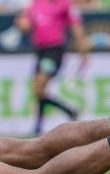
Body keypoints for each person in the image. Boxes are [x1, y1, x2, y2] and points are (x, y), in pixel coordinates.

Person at [15, 0, 90, 136]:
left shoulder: (65, 4)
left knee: (39, 86)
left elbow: (76, 28)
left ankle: (43, 124)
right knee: (39, 91)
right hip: (40, 51)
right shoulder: (37, 4)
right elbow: (25, 22)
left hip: (54, 51)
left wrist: (82, 51)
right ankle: (61, 115)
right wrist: (22, 24)